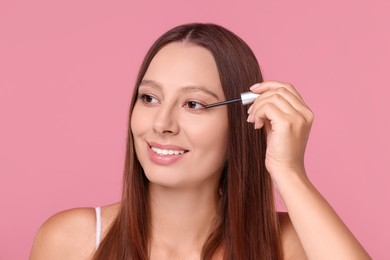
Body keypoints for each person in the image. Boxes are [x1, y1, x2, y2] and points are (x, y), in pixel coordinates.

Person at [30, 23, 370, 260]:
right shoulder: (72, 240)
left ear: (242, 121)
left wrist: (289, 171)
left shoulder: (289, 244)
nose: (161, 124)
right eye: (149, 98)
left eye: (193, 104)